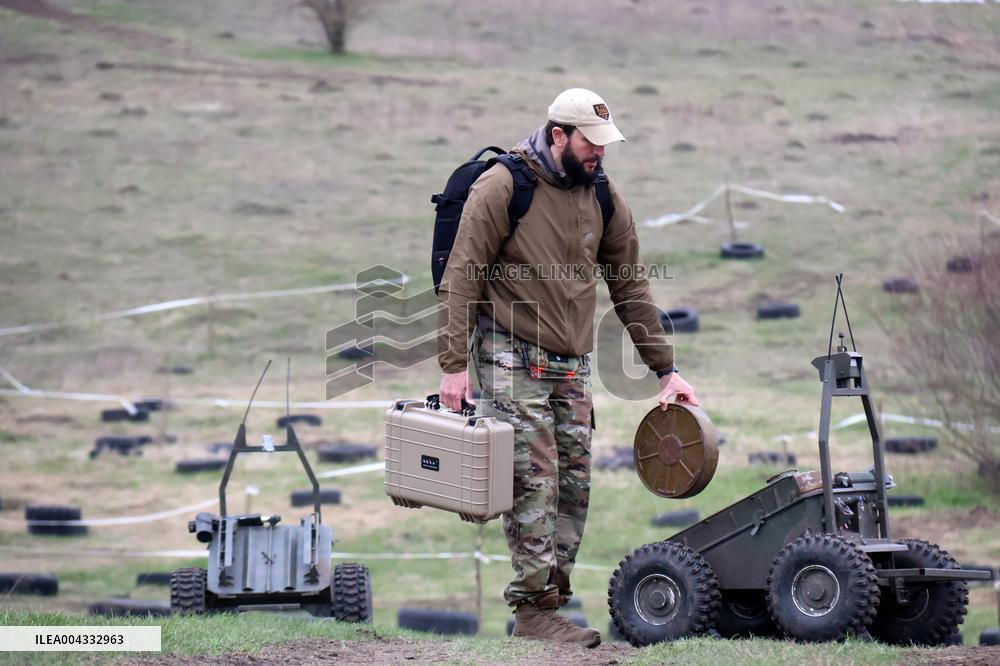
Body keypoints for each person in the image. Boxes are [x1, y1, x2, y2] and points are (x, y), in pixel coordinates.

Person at [436, 88, 699, 647]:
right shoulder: (505, 185)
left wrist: (665, 370)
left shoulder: (603, 195)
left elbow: (631, 285)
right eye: (590, 142)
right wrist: (453, 365)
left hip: (570, 365)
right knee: (536, 482)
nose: (600, 152)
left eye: (605, 143)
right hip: (508, 354)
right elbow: (461, 275)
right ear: (558, 134)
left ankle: (549, 603)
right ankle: (533, 611)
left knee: (575, 486)